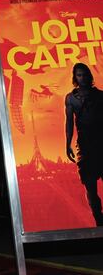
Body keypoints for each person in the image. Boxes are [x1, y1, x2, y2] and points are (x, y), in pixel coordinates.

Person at [65, 62, 103, 226]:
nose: (83, 77)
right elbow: (69, 123)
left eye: (85, 74)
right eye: (79, 75)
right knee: (90, 187)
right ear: (75, 77)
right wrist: (67, 144)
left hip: (101, 143)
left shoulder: (100, 96)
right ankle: (99, 220)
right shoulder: (71, 98)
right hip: (85, 147)